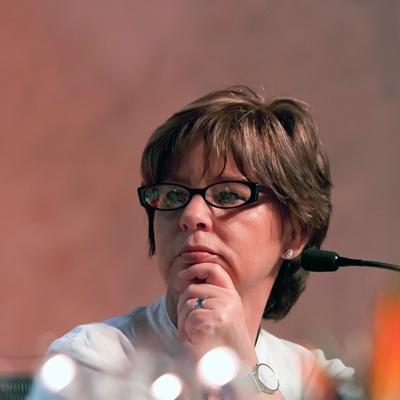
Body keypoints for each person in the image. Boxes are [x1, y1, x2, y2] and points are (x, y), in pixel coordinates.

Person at [27, 87, 355, 400]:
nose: (191, 214)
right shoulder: (91, 362)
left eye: (228, 194)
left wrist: (243, 369)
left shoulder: (323, 383)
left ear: (296, 233)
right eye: (173, 195)